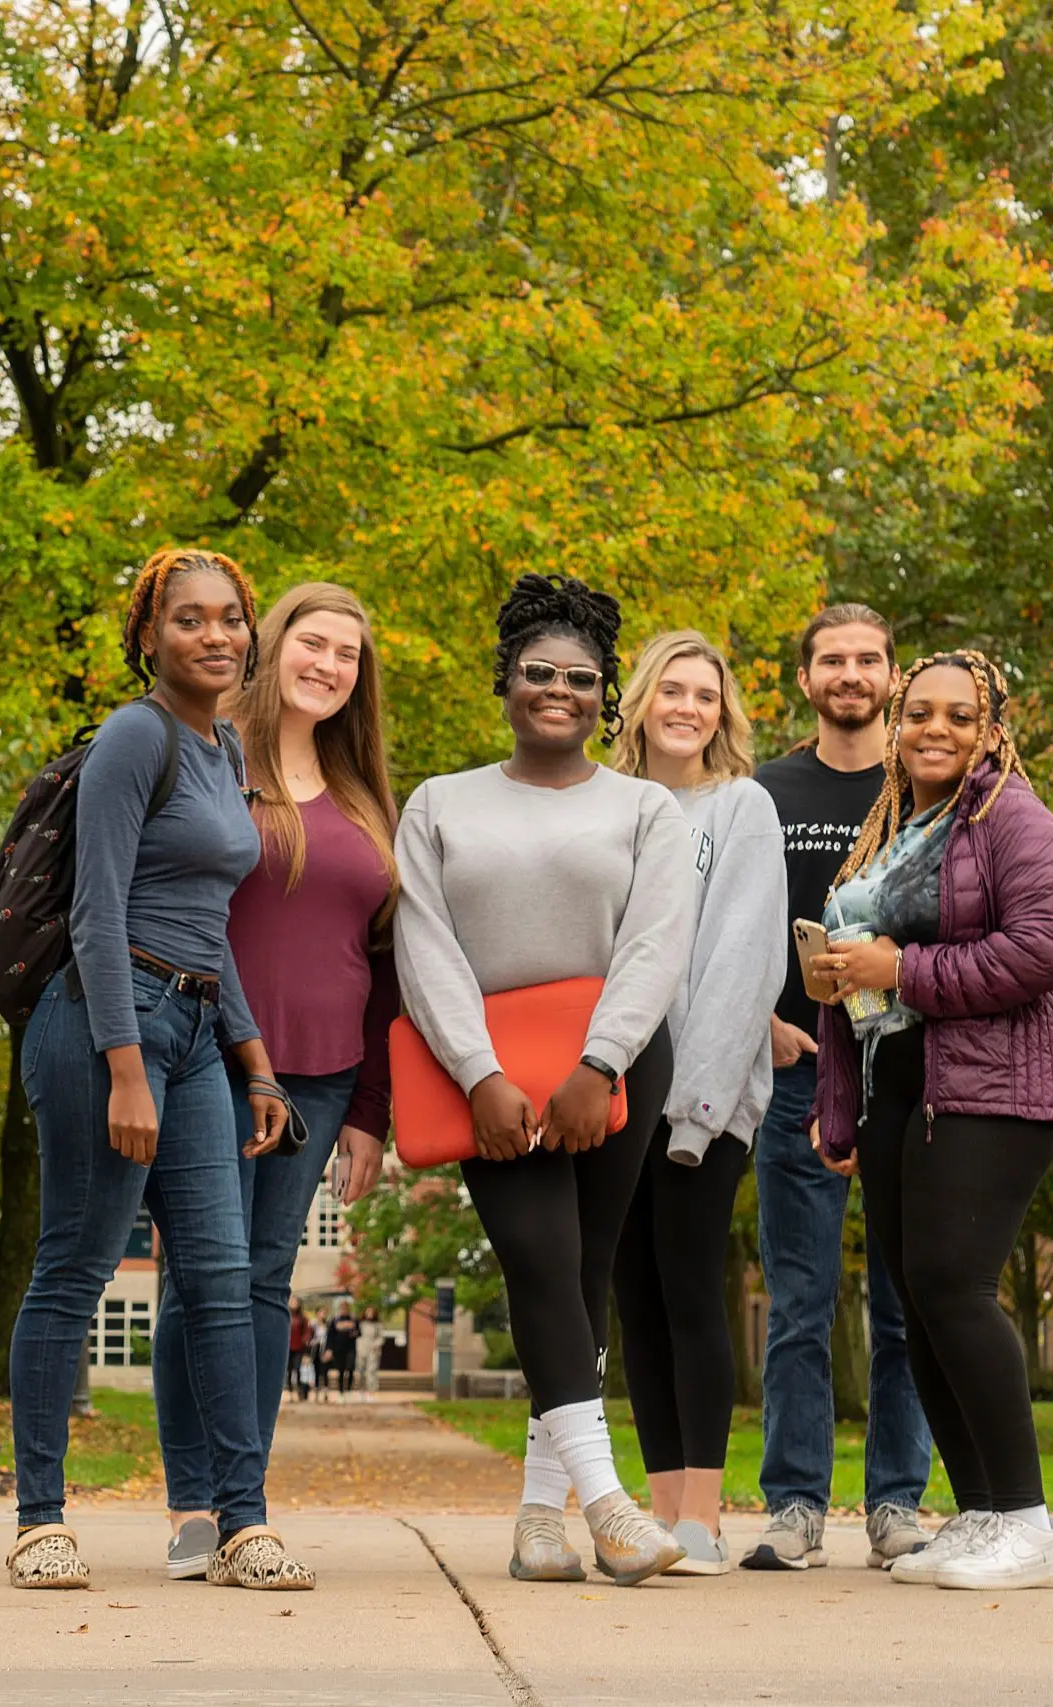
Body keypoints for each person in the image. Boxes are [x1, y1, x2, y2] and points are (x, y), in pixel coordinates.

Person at [4, 546, 313, 1593]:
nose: (216, 635)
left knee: (222, 1279)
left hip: (190, 1032)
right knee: (75, 1271)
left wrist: (255, 1063)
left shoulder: (224, 748)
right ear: (148, 637)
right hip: (107, 1020)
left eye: (231, 618)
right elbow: (96, 911)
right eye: (190, 619)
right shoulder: (135, 738)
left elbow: (212, 924)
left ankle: (241, 1524)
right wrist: (124, 1069)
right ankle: (40, 1522)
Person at [394, 573, 696, 1587]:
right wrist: (478, 1070)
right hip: (484, 1073)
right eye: (537, 672)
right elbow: (422, 946)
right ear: (505, 678)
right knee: (534, 1257)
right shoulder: (439, 804)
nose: (557, 690)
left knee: (582, 1273)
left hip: (612, 1064)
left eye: (580, 677)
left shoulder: (648, 807)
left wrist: (599, 1063)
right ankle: (608, 1508)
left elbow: (657, 942)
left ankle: (536, 1519)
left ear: (604, 693)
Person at [810, 650, 1053, 1592]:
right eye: (917, 711)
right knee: (917, 1295)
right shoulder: (904, 825)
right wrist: (838, 1103)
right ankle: (981, 1514)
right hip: (905, 1082)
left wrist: (902, 972)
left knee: (953, 1286)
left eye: (959, 716)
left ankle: (1029, 1519)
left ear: (992, 729)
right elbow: (866, 970)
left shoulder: (1011, 814)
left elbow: (1045, 948)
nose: (935, 729)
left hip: (996, 1086)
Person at [151, 582, 399, 1579]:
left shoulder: (364, 795)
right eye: (313, 642)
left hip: (325, 1073)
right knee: (196, 1278)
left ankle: (243, 1508)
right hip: (208, 1055)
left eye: (347, 654)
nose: (328, 664)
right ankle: (193, 1507)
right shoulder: (211, 758)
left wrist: (371, 1111)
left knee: (259, 1283)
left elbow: (384, 963)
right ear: (270, 645)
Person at [743, 604, 934, 1572]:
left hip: (907, 1074)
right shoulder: (763, 792)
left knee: (908, 1301)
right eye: (832, 660)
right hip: (795, 1075)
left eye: (867, 660)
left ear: (892, 676)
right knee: (800, 1301)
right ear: (806, 678)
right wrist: (761, 1024)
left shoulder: (932, 795)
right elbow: (727, 928)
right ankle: (795, 1506)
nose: (850, 674)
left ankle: (897, 1505)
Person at [604, 631, 786, 1576]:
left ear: (724, 712)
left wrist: (696, 1110)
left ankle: (706, 1517)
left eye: (704, 695)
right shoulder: (607, 803)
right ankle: (664, 1511)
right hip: (608, 1091)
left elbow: (743, 965)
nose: (687, 707)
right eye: (670, 690)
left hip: (697, 1105)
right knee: (633, 1302)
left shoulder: (741, 808)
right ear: (639, 700)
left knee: (688, 1293)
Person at [328, 1305, 361, 1397]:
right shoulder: (335, 1320)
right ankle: (341, 1389)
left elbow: (359, 1332)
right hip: (339, 1349)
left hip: (350, 1348)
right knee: (340, 1370)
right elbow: (330, 1335)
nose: (344, 1310)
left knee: (350, 1368)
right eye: (342, 1309)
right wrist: (330, 1348)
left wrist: (354, 1333)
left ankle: (349, 1389)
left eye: (345, 1308)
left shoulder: (354, 1319)